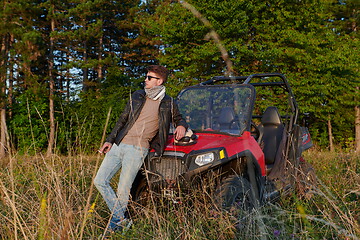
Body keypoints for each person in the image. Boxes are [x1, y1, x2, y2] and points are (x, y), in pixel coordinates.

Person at [94, 65, 187, 234]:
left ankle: (113, 230)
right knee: (99, 181)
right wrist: (109, 141)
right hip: (119, 145)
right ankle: (121, 220)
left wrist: (181, 125)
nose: (145, 80)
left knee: (123, 189)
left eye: (149, 77)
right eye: (146, 77)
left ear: (159, 81)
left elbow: (179, 118)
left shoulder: (168, 102)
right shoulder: (138, 95)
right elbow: (122, 120)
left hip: (138, 149)